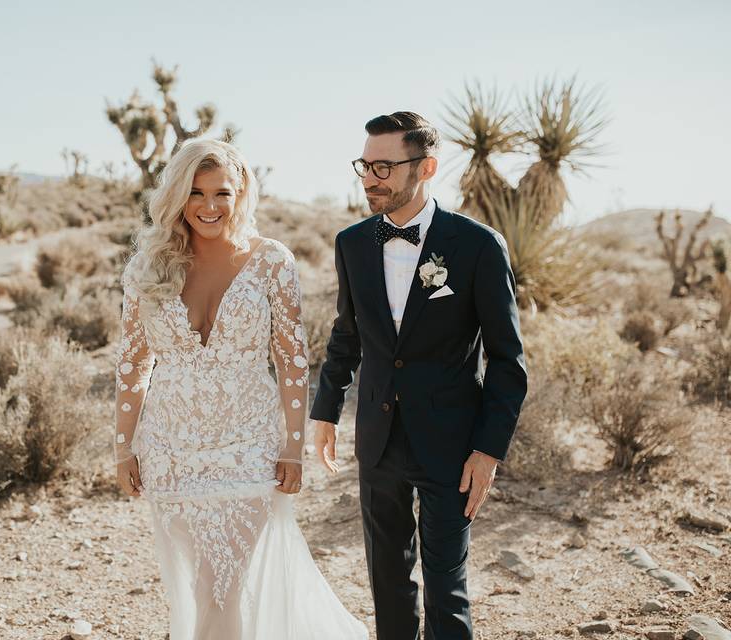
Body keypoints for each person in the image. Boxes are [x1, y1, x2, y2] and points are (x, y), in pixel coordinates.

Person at [114, 138, 367, 640]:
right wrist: (124, 448)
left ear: (242, 193)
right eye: (196, 193)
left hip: (249, 446)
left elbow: (292, 360)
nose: (209, 206)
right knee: (199, 583)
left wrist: (291, 450)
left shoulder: (272, 261)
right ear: (177, 197)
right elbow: (133, 363)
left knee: (221, 584)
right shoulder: (147, 269)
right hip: (170, 449)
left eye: (222, 193)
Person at [310, 112, 528, 639]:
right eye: (365, 164)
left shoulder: (477, 245)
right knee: (387, 583)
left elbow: (508, 358)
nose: (370, 178)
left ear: (425, 166)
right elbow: (348, 333)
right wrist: (326, 411)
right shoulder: (352, 243)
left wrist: (489, 450)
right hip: (378, 438)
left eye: (384, 166)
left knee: (446, 590)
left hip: (452, 445)